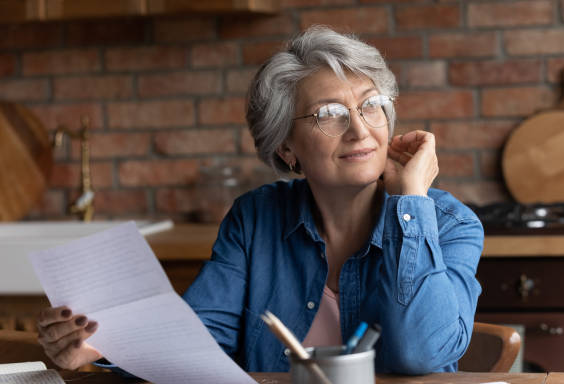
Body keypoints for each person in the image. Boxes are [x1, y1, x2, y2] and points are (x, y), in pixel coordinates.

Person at [36, 26, 483, 374]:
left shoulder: (447, 224)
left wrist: (413, 203)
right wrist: (98, 346)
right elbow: (197, 340)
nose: (361, 130)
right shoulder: (256, 218)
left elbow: (419, 354)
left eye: (371, 105)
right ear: (286, 147)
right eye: (330, 114)